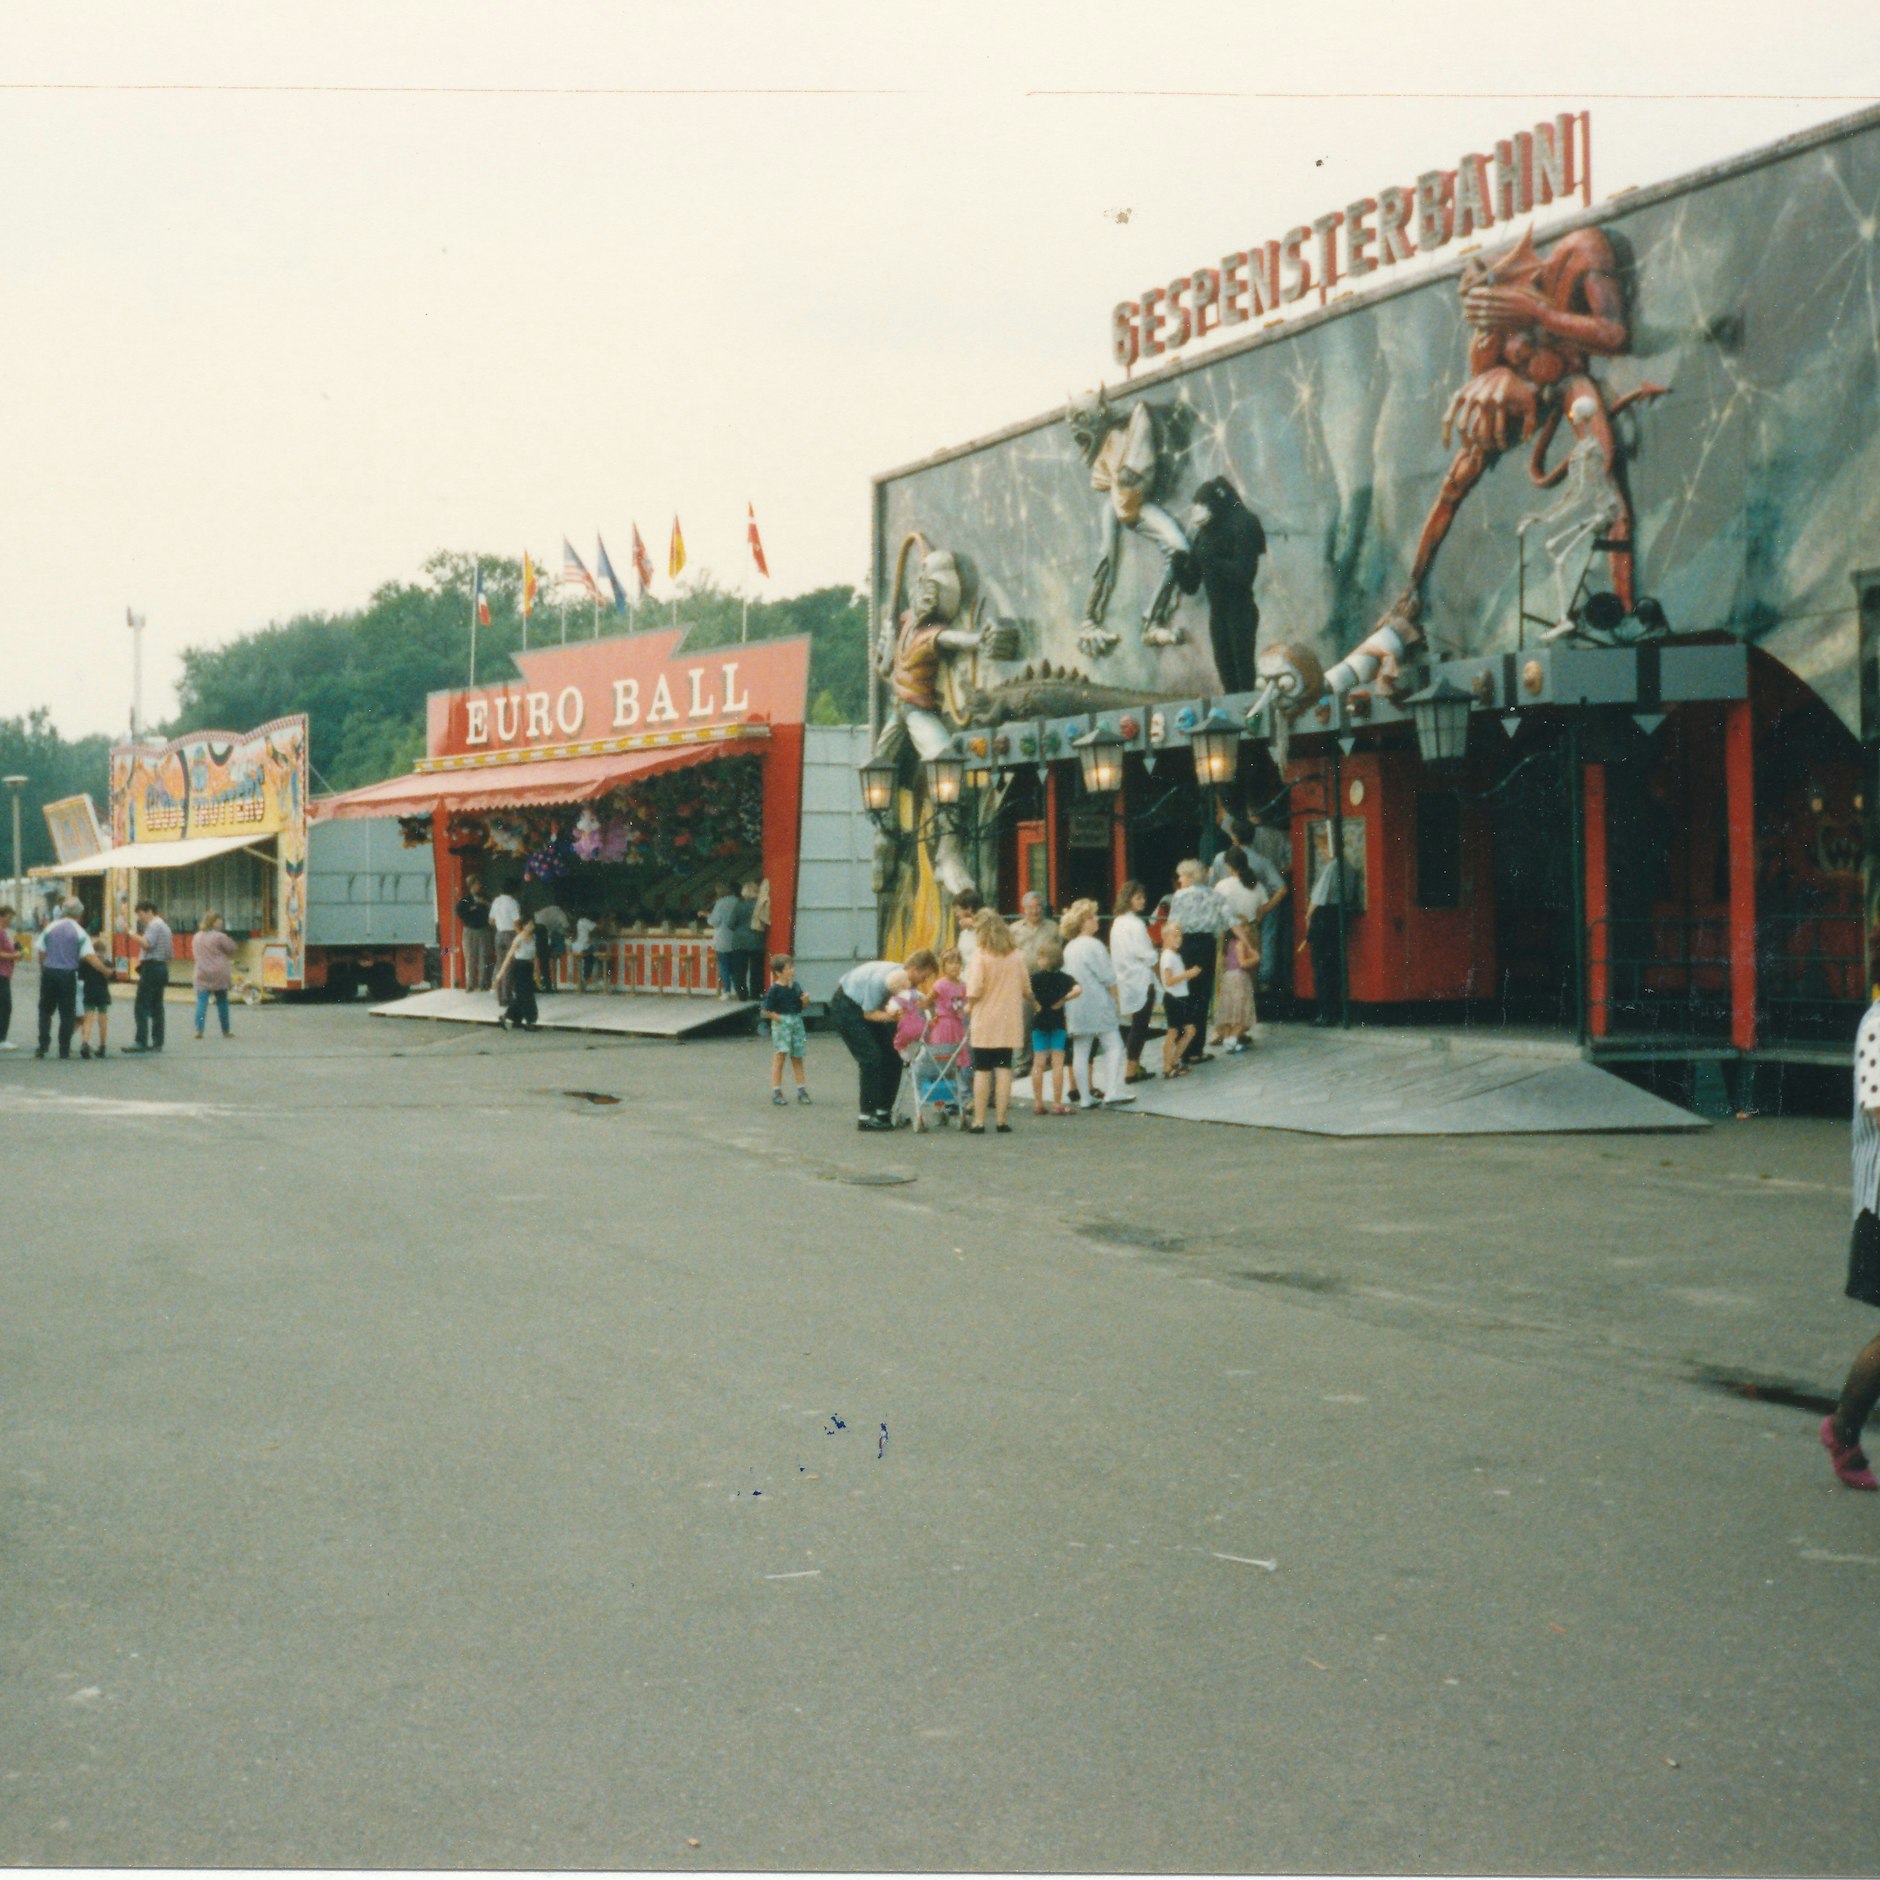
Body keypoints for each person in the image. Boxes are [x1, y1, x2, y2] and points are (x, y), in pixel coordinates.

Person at [1824, 1000, 1880, 1490]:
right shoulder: (1878, 1026)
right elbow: (1878, 1110)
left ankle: (1842, 1429)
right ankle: (1842, 1429)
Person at [831, 951, 938, 1130]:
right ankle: (866, 1116)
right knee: (871, 1057)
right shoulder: (882, 981)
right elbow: (869, 1013)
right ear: (913, 968)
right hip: (848, 1006)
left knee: (893, 1055)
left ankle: (883, 1112)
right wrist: (895, 1018)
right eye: (923, 975)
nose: (924, 981)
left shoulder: (904, 981)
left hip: (873, 1007)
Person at [1061, 899, 1134, 1109]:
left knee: (1081, 1049)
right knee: (1114, 1045)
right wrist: (1119, 1002)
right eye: (1092, 916)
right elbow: (1109, 977)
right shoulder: (1095, 945)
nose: (1097, 919)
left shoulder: (1070, 947)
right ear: (1084, 921)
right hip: (1098, 1003)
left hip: (1076, 1004)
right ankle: (1112, 1091)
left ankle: (1085, 1097)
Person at [963, 910, 1026, 1134]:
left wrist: (968, 1005)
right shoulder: (1016, 955)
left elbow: (975, 988)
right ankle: (1001, 1119)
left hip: (985, 1018)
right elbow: (1026, 986)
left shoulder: (980, 955)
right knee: (1004, 1068)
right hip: (1009, 1019)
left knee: (982, 1070)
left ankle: (979, 1121)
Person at [1166, 860, 1229, 1063]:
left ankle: (1183, 1047)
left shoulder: (1179, 896)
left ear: (1190, 876)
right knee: (1202, 996)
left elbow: (1173, 923)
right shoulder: (1215, 895)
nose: (1179, 880)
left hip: (1186, 944)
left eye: (1182, 876)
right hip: (1206, 945)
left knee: (1186, 992)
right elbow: (1224, 922)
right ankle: (1196, 1050)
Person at [1211, 847, 1270, 1052]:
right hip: (1251, 933)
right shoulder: (1257, 886)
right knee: (1246, 985)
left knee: (1224, 984)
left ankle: (1222, 1030)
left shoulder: (1222, 886)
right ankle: (1240, 1031)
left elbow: (1216, 911)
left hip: (1229, 936)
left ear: (1229, 866)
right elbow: (1262, 911)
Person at [1303, 825, 1359, 1026]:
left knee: (1321, 967)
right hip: (1339, 916)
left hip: (1323, 916)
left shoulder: (1331, 867)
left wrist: (1308, 917)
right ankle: (1335, 1011)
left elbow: (1318, 897)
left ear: (1329, 848)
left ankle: (1324, 1013)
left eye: (1322, 848)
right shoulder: (1349, 867)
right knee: (1334, 966)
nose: (1321, 852)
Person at [1009, 890, 1063, 1084]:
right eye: (1030, 907)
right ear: (1024, 909)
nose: (1034, 911)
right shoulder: (1014, 929)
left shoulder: (1053, 928)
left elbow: (1058, 953)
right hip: (1023, 982)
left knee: (1045, 1020)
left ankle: (1044, 1060)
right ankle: (1022, 1062)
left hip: (1046, 980)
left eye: (1038, 906)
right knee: (1024, 1021)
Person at [1110, 880, 1159, 1083]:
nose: (1143, 901)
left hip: (1124, 978)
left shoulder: (1117, 922)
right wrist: (1161, 977)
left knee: (1134, 1025)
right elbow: (1148, 955)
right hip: (1140, 979)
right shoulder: (1136, 924)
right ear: (1128, 899)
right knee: (1140, 1026)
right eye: (1138, 898)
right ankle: (1131, 1069)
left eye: (1143, 897)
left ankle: (1135, 1065)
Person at [1027, 938, 1078, 1115]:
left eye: (1040, 957)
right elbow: (1078, 989)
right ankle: (1057, 1103)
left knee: (1038, 1063)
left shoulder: (1035, 978)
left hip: (1040, 1021)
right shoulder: (1064, 978)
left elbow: (1024, 989)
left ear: (1045, 960)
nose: (1038, 960)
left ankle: (1038, 1102)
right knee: (1058, 1064)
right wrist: (1064, 999)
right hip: (1057, 1022)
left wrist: (1035, 1004)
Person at [35, 897, 89, 1059]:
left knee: (45, 1011)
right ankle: (63, 1048)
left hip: (50, 972)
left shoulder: (50, 927)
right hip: (68, 974)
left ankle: (43, 1045)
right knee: (67, 1013)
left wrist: (44, 967)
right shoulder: (79, 931)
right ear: (79, 914)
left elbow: (41, 950)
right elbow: (88, 954)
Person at [761, 953, 811, 1105]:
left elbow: (802, 1006)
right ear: (778, 972)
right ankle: (777, 1091)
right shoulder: (774, 989)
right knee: (780, 1056)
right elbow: (767, 1010)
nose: (792, 971)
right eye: (789, 968)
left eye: (792, 967)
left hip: (796, 1021)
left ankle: (801, 1089)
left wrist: (806, 1001)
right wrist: (781, 1020)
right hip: (783, 1022)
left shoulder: (796, 986)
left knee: (797, 1056)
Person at [125, 899, 172, 1053]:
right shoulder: (165, 926)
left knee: (141, 1005)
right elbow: (170, 953)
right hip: (161, 966)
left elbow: (147, 943)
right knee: (157, 1006)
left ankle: (141, 1041)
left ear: (149, 912)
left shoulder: (154, 925)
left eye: (140, 914)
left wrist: (131, 932)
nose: (139, 918)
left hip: (151, 967)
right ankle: (158, 1041)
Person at [1158, 921, 1201, 1076]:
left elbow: (1177, 979)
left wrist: (1188, 976)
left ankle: (1174, 1061)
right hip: (1173, 998)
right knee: (1173, 1033)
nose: (1178, 938)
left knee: (1190, 1030)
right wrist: (1187, 974)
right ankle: (1167, 1066)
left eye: (1180, 935)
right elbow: (1169, 980)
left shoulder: (1175, 955)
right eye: (1174, 935)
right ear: (1165, 937)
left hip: (1181, 997)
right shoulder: (1168, 956)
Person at [191, 911, 239, 1039]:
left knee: (202, 1001)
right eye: (219, 921)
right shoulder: (220, 937)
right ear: (214, 922)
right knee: (222, 1001)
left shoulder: (196, 936)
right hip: (219, 972)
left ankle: (198, 1029)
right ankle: (225, 1030)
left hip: (201, 971)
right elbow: (232, 949)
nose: (221, 923)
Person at [705, 882, 753, 1001]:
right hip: (737, 939)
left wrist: (707, 917)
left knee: (723, 966)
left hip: (722, 939)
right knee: (738, 967)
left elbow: (714, 921)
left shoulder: (720, 903)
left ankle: (726, 991)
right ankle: (740, 990)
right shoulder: (738, 901)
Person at [77, 921, 117, 1058]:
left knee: (88, 1018)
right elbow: (113, 977)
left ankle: (85, 1042)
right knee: (102, 1020)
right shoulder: (108, 963)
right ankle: (102, 1046)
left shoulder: (86, 963)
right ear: (104, 952)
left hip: (89, 991)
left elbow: (80, 976)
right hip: (102, 994)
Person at [495, 918, 541, 1031]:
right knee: (527, 995)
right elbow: (509, 956)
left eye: (532, 924)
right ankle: (531, 1021)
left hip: (528, 967)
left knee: (522, 996)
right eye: (528, 924)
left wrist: (536, 972)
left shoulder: (534, 937)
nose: (531, 926)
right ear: (523, 926)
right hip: (519, 967)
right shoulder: (518, 939)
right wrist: (500, 973)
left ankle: (507, 1016)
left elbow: (535, 956)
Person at [456, 875, 494, 992]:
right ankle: (470, 984)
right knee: (470, 957)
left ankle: (483, 983)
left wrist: (485, 903)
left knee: (484, 957)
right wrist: (471, 909)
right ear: (471, 886)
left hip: (483, 929)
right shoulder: (466, 898)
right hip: (470, 930)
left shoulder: (485, 897)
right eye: (477, 884)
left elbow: (493, 909)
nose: (479, 886)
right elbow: (459, 911)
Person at [488, 884, 521, 994]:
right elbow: (516, 922)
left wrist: (500, 922)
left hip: (499, 934)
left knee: (500, 962)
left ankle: (497, 990)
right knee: (509, 964)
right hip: (510, 934)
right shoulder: (512, 902)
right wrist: (521, 936)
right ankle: (507, 992)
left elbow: (491, 921)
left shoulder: (496, 901)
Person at [534, 898, 570, 994]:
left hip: (534, 930)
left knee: (538, 959)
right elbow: (566, 926)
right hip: (542, 931)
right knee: (544, 961)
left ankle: (540, 983)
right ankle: (548, 985)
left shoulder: (547, 909)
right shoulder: (560, 913)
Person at [0, 903, 18, 1050]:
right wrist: (14, 955)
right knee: (5, 1006)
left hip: (5, 973)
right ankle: (1, 1039)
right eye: (9, 918)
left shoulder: (4, 932)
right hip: (1, 973)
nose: (10, 921)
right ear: (3, 916)